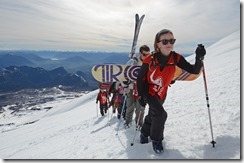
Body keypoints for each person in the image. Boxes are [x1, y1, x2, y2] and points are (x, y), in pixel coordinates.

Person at [137, 29, 206, 153]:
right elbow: (140, 78)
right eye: (165, 41)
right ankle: (156, 140)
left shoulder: (176, 57)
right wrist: (141, 96)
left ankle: (144, 133)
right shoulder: (149, 59)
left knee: (154, 113)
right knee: (160, 114)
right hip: (149, 91)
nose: (169, 43)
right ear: (158, 44)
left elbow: (194, 70)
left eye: (172, 40)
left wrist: (199, 58)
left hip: (162, 92)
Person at [123, 45, 150, 128]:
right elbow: (123, 74)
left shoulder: (149, 63)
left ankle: (139, 123)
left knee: (140, 108)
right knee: (130, 107)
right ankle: (128, 122)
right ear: (140, 53)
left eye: (148, 55)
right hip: (131, 88)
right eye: (145, 54)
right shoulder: (132, 62)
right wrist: (125, 86)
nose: (146, 57)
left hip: (141, 89)